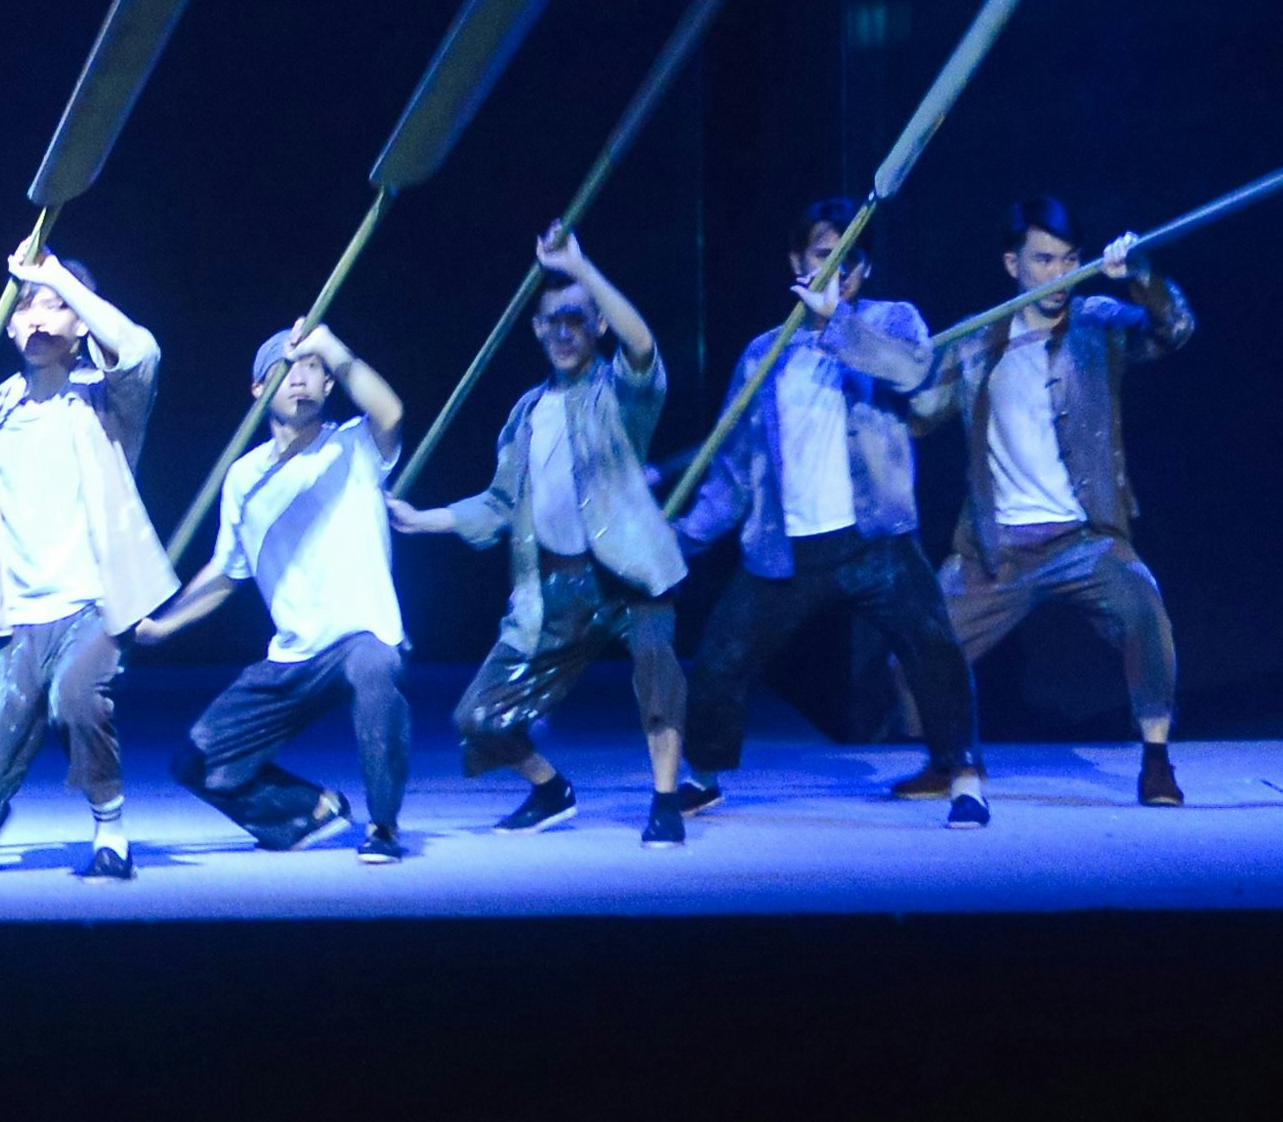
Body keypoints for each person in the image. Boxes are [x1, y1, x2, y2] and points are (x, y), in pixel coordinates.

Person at [670, 201, 991, 826]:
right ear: (797, 261)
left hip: (876, 540)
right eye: (824, 256)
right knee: (721, 656)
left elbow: (913, 371)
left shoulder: (888, 323)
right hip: (786, 549)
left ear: (862, 272)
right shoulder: (764, 354)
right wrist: (679, 541)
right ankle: (703, 776)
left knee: (933, 648)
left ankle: (965, 777)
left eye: (850, 260)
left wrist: (838, 324)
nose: (838, 270)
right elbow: (734, 470)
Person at [400, 227, 704, 840]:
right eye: (551, 322)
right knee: (478, 715)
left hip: (630, 574)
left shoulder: (618, 395)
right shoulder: (525, 413)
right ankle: (550, 789)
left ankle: (667, 801)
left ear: (596, 327)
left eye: (576, 319)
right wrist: (423, 518)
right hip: (558, 589)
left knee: (655, 665)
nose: (563, 332)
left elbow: (642, 345)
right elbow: (499, 504)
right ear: (536, 330)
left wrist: (581, 268)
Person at [916, 197, 1196, 805]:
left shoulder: (1097, 324)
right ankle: (952, 760)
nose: (1056, 275)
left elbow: (1174, 330)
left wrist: (1141, 274)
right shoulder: (974, 341)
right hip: (998, 549)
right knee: (920, 648)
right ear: (1012, 263)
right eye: (1042, 260)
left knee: (1145, 610)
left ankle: (1156, 761)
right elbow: (918, 415)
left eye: (1068, 260)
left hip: (1083, 538)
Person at [0, 239, 169, 880]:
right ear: (8, 324)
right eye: (27, 306)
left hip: (94, 603)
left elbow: (142, 350)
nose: (39, 319)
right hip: (14, 611)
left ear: (81, 324)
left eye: (56, 308)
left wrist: (56, 275)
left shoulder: (104, 400)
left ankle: (110, 831)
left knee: (77, 700)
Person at [135, 314, 417, 858]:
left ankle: (383, 826)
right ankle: (309, 811)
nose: (301, 378)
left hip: (362, 636)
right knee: (196, 761)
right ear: (259, 390)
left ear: (329, 382)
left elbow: (391, 411)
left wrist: (330, 345)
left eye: (313, 370)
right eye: (287, 369)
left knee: (375, 667)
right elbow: (225, 573)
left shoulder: (354, 446)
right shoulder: (243, 477)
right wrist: (163, 624)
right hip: (293, 654)